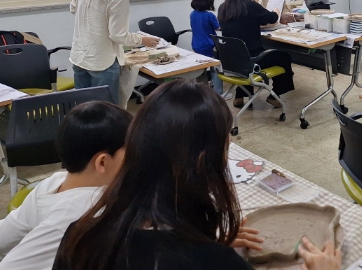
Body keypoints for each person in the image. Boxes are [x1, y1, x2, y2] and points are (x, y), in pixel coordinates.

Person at [53, 81, 341, 270]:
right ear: (204, 161)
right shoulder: (216, 263)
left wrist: (206, 244)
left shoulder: (80, 236)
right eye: (226, 143)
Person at [0, 101, 131, 270]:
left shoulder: (53, 183)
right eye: (130, 151)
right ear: (102, 162)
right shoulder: (85, 212)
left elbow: (6, 233)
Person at [70, 0, 158, 105]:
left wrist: (95, 22)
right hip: (102, 62)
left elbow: (73, 8)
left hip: (79, 57)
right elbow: (118, 35)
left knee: (83, 109)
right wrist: (142, 40)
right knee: (107, 111)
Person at [217, 0, 294, 109]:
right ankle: (275, 95)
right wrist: (276, 11)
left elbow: (241, 24)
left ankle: (239, 96)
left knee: (243, 53)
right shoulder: (250, 6)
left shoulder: (223, 8)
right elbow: (271, 18)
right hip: (252, 61)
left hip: (232, 62)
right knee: (284, 57)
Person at [190, 0, 223, 95]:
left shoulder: (192, 14)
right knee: (216, 68)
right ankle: (218, 93)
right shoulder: (209, 15)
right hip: (210, 46)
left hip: (196, 46)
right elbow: (218, 28)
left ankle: (203, 93)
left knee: (201, 71)